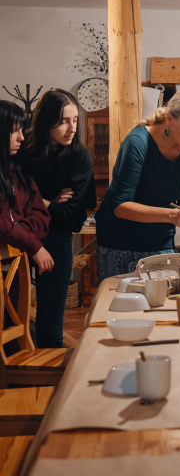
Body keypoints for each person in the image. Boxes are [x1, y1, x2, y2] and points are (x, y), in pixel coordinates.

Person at [96, 90, 180, 283]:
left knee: (162, 300)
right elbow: (121, 206)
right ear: (169, 119)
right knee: (121, 299)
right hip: (120, 240)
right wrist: (172, 216)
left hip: (161, 241)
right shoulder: (138, 142)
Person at [22, 89, 96, 348]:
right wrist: (48, 203)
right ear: (46, 120)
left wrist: (37, 202)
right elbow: (11, 202)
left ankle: (51, 372)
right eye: (64, 121)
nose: (72, 128)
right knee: (11, 319)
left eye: (75, 120)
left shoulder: (78, 156)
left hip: (55, 239)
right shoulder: (22, 149)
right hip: (18, 239)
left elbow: (71, 219)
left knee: (51, 328)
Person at [0, 100, 52, 272]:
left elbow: (42, 218)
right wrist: (30, 242)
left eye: (22, 130)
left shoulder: (20, 174)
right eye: (14, 131)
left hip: (17, 269)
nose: (21, 137)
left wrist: (19, 231)